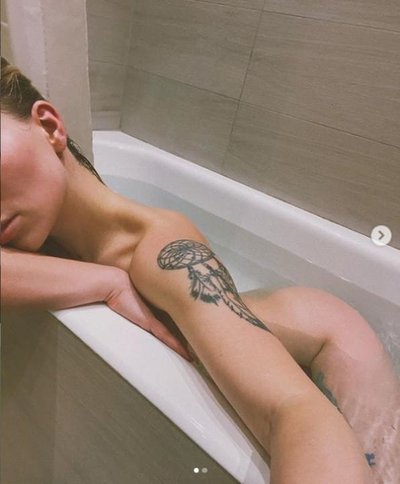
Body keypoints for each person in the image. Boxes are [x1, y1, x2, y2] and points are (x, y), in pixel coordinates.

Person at [1, 56, 398, 483]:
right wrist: (106, 281)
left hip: (332, 340)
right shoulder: (42, 232)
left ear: (49, 127)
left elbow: (297, 412)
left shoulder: (161, 251)